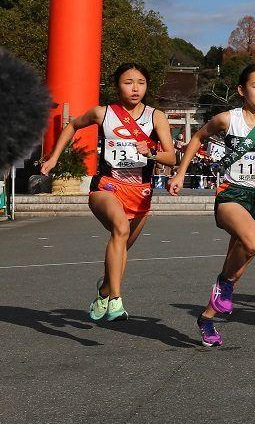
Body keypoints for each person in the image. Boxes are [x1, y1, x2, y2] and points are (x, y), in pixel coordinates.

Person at [168, 64, 255, 347]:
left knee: (237, 267)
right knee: (254, 242)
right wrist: (180, 172)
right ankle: (223, 288)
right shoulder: (227, 119)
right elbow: (197, 137)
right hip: (232, 193)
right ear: (241, 90)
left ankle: (207, 318)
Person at [40, 63, 177, 322]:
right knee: (120, 229)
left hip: (140, 192)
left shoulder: (155, 116)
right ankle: (115, 299)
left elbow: (170, 157)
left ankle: (104, 290)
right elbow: (71, 126)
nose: (135, 88)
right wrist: (54, 157)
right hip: (107, 186)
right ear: (117, 86)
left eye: (140, 82)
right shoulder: (102, 113)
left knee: (121, 247)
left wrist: (151, 152)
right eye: (128, 82)